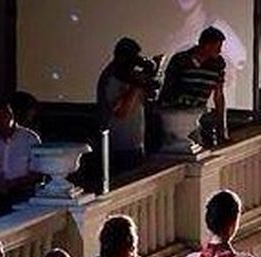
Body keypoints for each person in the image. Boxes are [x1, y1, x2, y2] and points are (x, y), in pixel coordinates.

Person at [160, 27, 229, 149]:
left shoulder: (218, 64)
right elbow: (168, 90)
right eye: (217, 47)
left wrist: (221, 129)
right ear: (207, 45)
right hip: (176, 117)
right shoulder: (180, 60)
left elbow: (218, 96)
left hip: (197, 116)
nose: (219, 51)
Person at [96, 38, 156, 173]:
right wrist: (137, 85)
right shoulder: (112, 78)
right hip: (120, 145)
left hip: (135, 143)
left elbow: (145, 99)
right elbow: (121, 112)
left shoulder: (126, 77)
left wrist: (145, 82)